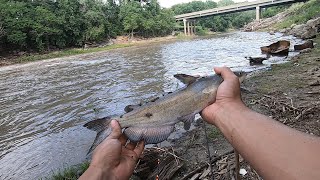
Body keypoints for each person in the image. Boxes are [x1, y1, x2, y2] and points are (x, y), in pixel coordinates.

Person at [80, 67, 320, 180]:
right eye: (239, 76)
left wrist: (100, 172)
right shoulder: (212, 81)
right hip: (152, 116)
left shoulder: (209, 85)